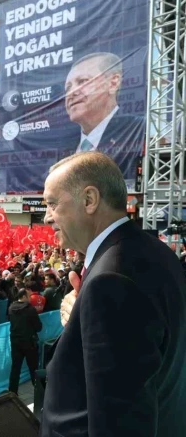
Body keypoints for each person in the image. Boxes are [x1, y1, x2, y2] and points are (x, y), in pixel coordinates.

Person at [41, 151, 186, 436]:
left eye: (53, 204)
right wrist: (84, 316)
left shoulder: (110, 281)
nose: (47, 217)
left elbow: (120, 422)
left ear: (89, 200)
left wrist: (94, 303)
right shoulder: (155, 252)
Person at [64, 52, 145, 177]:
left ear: (113, 83)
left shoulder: (140, 130)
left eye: (83, 81)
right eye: (67, 88)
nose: (71, 93)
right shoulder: (62, 145)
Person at [7, 288, 42, 395]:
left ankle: (12, 393)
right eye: (28, 296)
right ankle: (39, 393)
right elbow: (38, 327)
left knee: (15, 368)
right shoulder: (30, 309)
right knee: (33, 368)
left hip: (15, 342)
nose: (30, 299)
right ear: (23, 296)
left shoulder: (11, 307)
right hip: (29, 343)